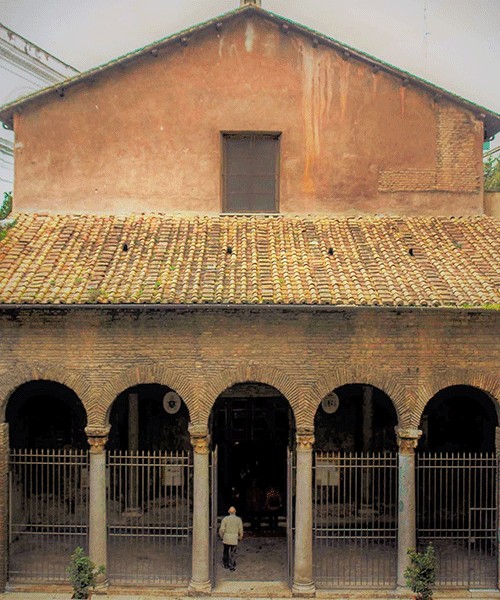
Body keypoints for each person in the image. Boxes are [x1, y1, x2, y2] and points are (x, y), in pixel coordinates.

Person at [219, 506, 243, 571]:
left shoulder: (225, 519)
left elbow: (222, 529)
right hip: (234, 538)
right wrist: (240, 537)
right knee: (233, 552)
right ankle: (232, 565)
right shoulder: (238, 519)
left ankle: (226, 563)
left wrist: (222, 536)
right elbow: (240, 529)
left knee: (226, 551)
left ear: (228, 512)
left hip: (226, 537)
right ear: (235, 512)